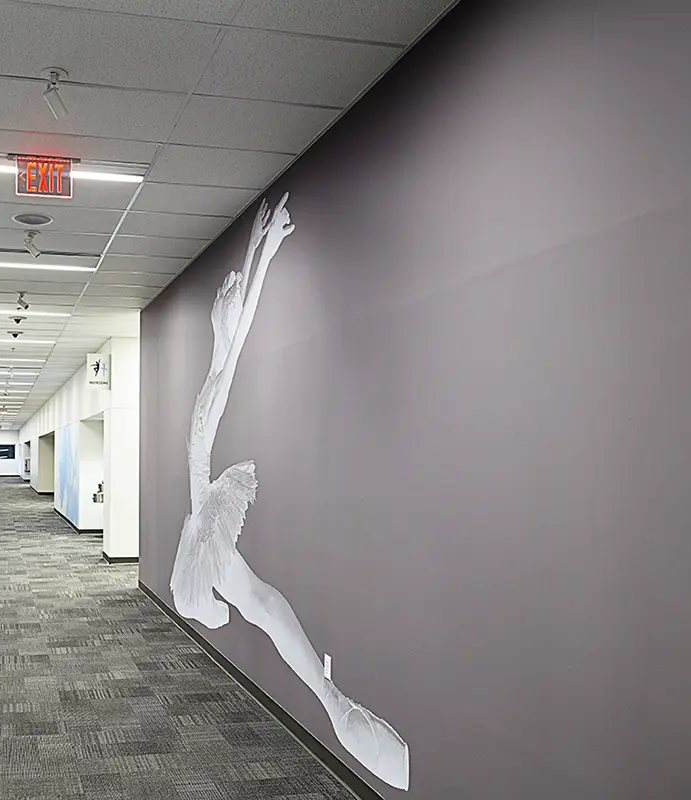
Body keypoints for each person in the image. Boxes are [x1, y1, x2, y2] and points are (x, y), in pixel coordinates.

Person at [170, 192, 410, 791]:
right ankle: (336, 705)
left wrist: (262, 248)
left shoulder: (216, 377)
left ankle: (338, 707)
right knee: (265, 609)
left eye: (227, 295)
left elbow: (239, 329)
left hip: (206, 529)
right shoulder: (216, 375)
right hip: (206, 533)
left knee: (267, 610)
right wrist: (259, 251)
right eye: (222, 300)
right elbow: (238, 328)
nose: (226, 297)